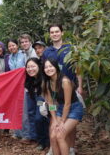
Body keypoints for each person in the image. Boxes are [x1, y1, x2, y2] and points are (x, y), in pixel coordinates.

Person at [42, 24, 83, 154]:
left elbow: (68, 104)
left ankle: (70, 148)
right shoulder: (47, 82)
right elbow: (51, 103)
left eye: (57, 31)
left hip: (71, 100)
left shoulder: (70, 49)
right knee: (54, 133)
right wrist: (55, 119)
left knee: (61, 133)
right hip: (59, 106)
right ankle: (54, 150)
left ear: (62, 33)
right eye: (52, 32)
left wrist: (61, 121)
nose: (54, 34)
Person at [25, 58, 50, 150]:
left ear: (39, 66)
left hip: (41, 98)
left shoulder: (44, 78)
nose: (30, 69)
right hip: (31, 95)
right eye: (28, 67)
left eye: (33, 66)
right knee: (31, 114)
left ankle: (46, 140)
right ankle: (36, 138)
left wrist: (52, 106)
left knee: (39, 117)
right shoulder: (29, 79)